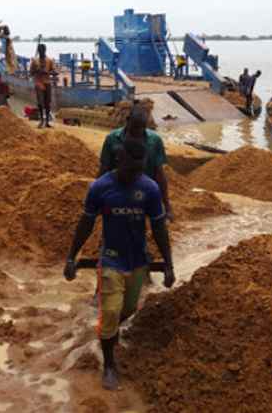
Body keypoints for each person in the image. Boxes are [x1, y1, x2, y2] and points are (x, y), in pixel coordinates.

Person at [64, 139, 175, 391]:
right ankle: (109, 365)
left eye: (138, 169)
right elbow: (86, 223)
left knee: (129, 308)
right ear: (119, 160)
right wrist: (71, 257)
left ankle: (108, 331)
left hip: (138, 260)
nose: (133, 174)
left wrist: (168, 264)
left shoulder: (149, 189)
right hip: (111, 258)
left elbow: (159, 227)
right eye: (130, 168)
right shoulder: (101, 187)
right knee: (112, 311)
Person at [99, 106, 173, 221]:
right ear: (128, 120)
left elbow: (159, 173)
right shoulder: (112, 139)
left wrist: (167, 206)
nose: (138, 131)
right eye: (135, 127)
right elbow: (104, 168)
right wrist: (99, 197)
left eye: (142, 127)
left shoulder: (154, 141)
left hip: (144, 194)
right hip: (118, 193)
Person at [30, 43, 56, 128]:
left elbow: (54, 71)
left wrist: (48, 72)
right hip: (38, 83)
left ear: (45, 50)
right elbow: (31, 73)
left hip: (47, 83)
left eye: (42, 50)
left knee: (48, 103)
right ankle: (41, 120)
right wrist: (37, 71)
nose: (41, 52)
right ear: (38, 51)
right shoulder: (35, 61)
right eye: (40, 51)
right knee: (40, 102)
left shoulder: (49, 60)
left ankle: (47, 121)